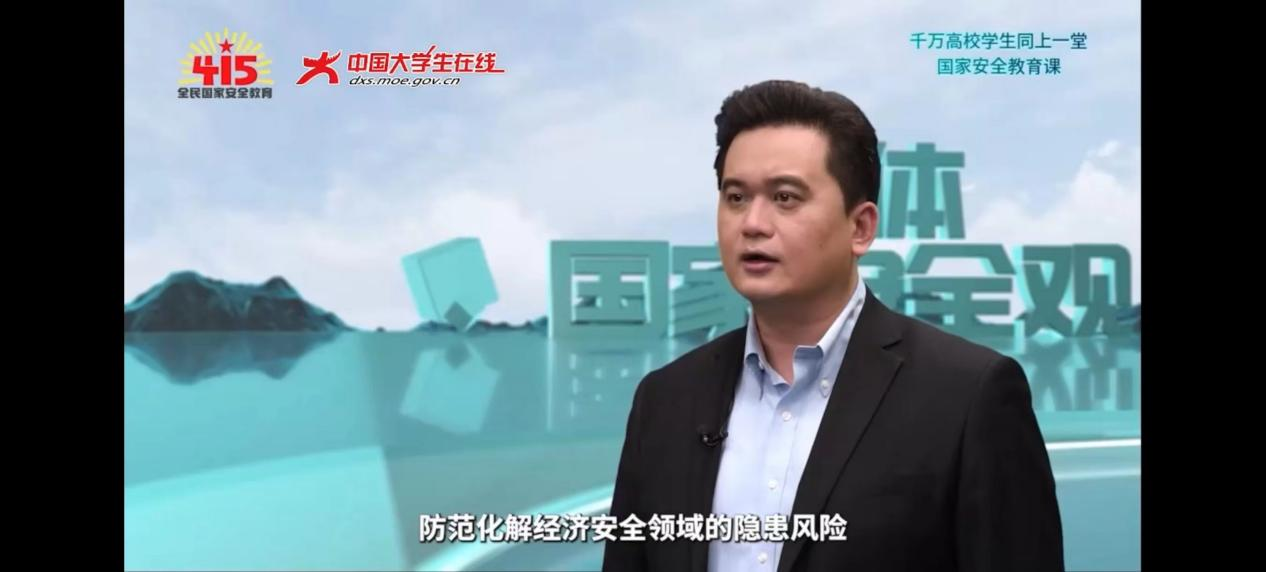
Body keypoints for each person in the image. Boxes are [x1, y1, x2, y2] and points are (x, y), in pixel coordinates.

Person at [602, 79, 1063, 572]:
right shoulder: (665, 400)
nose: (752, 223)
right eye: (735, 197)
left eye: (785, 197)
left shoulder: (967, 395)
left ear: (860, 227)